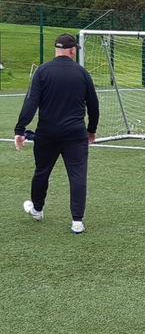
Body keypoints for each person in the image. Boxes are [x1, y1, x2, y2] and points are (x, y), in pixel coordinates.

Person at [14, 33, 100, 233]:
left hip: (47, 133)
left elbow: (31, 103)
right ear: (72, 50)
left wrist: (20, 130)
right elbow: (94, 106)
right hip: (75, 133)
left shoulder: (42, 71)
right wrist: (91, 130)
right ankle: (77, 222)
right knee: (77, 175)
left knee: (41, 172)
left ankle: (37, 209)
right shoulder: (82, 73)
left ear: (56, 49)